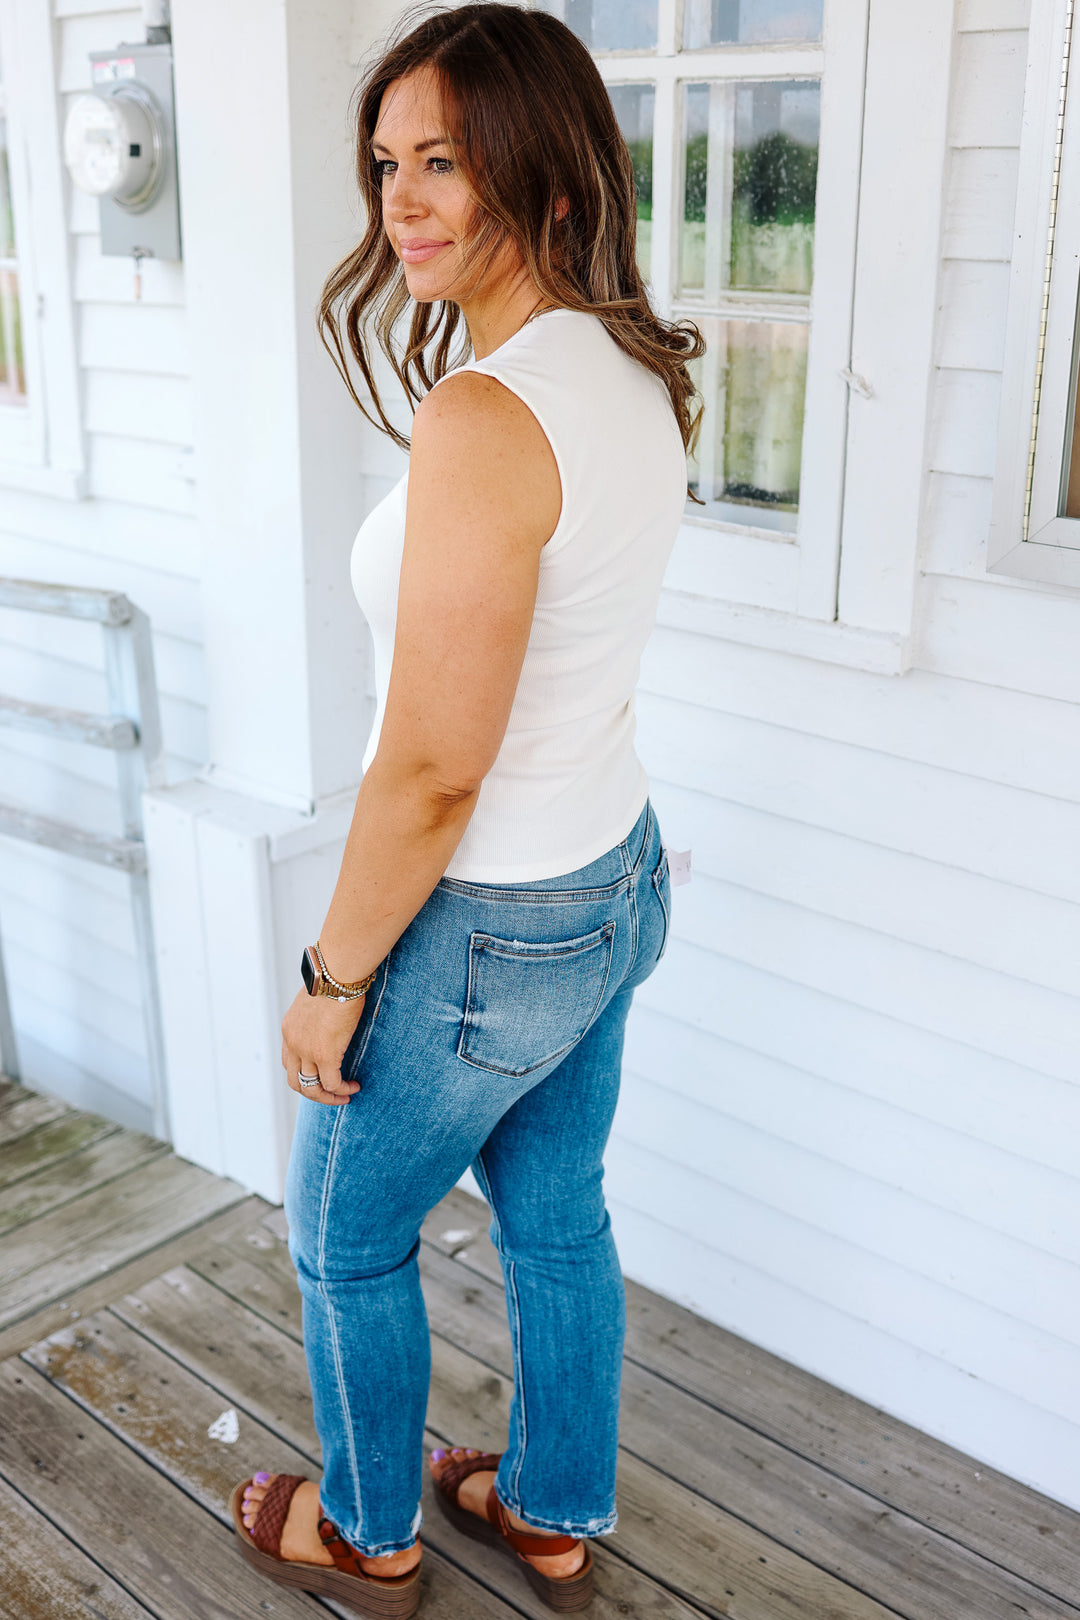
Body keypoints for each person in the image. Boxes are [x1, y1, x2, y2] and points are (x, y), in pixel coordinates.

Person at [229, 5, 703, 1615]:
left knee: (346, 1236)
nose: (404, 201)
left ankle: (369, 1532)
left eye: (445, 160)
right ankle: (555, 1505)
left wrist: (334, 980)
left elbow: (434, 767)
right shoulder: (632, 366)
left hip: (491, 923)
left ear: (546, 171)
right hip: (612, 883)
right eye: (387, 164)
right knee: (557, 1218)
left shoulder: (489, 416)